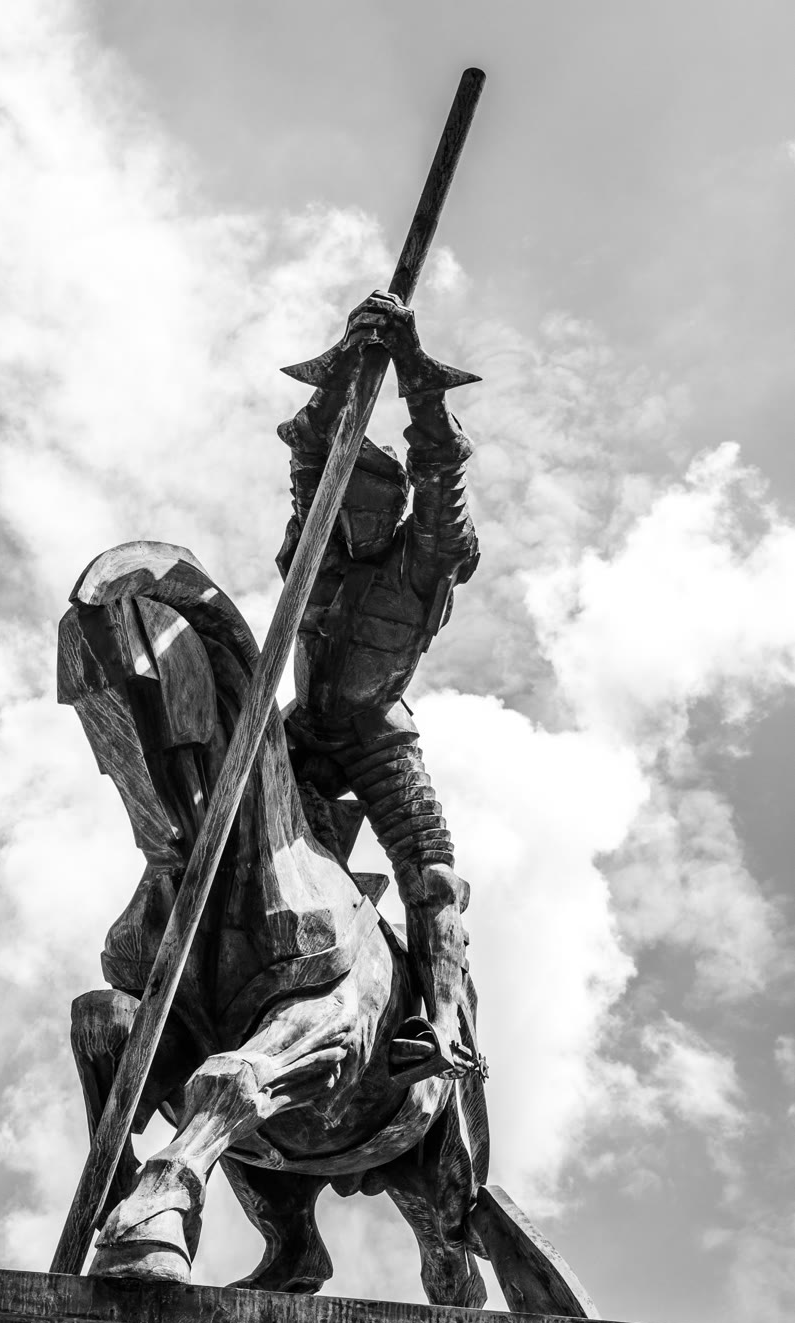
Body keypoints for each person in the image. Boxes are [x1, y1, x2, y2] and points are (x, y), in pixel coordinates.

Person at [277, 290, 484, 1081]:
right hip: (299, 732)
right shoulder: (317, 551)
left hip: (376, 740)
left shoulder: (421, 563)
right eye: (343, 506)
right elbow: (309, 449)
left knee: (431, 879)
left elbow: (442, 472)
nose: (347, 518)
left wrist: (416, 379)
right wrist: (345, 362)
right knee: (216, 834)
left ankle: (443, 1029)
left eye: (364, 506)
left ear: (391, 508)